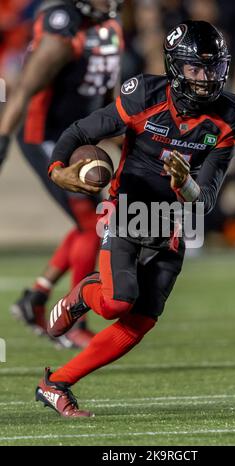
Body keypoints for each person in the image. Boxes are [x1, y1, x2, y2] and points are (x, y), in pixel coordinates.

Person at [35, 20, 235, 417]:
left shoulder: (230, 116)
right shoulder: (144, 96)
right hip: (128, 210)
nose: (205, 79)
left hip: (173, 221)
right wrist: (57, 170)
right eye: (195, 69)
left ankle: (56, 383)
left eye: (213, 68)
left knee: (143, 319)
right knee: (117, 302)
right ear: (174, 67)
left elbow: (203, 204)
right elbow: (80, 131)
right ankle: (84, 294)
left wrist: (185, 186)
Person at [0, 0, 124, 348]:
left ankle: (36, 298)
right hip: (46, 137)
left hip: (79, 137)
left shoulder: (111, 27)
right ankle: (71, 319)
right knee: (92, 225)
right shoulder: (64, 26)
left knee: (89, 224)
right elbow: (25, 88)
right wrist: (3, 138)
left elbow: (109, 96)